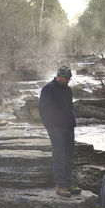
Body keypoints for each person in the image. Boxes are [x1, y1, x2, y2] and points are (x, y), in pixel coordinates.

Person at [39, 65, 81, 197]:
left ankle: (69, 184)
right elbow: (43, 110)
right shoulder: (48, 89)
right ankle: (60, 185)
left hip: (68, 127)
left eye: (69, 79)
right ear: (58, 76)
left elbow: (70, 107)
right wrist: (50, 127)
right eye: (66, 78)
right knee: (59, 157)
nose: (68, 81)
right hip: (56, 128)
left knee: (68, 156)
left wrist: (72, 121)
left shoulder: (67, 89)